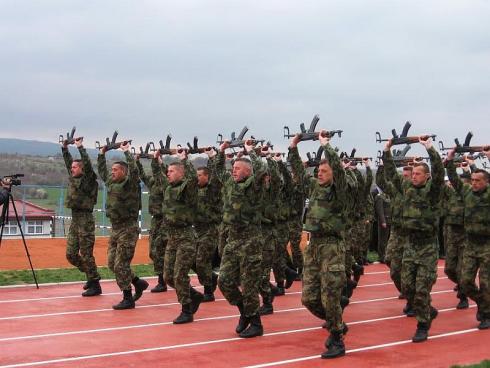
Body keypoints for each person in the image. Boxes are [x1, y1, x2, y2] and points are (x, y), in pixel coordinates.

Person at [289, 130, 348, 359]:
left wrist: (326, 145)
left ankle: (336, 339)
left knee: (330, 297)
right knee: (309, 298)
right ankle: (337, 323)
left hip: (332, 247)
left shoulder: (339, 191)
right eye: (319, 170)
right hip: (314, 246)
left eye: (325, 171)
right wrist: (293, 147)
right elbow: (299, 172)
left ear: (334, 174)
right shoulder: (314, 187)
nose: (320, 173)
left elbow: (339, 171)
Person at [384, 136, 444, 342]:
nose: (414, 176)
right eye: (413, 174)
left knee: (421, 289)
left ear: (426, 177)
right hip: (410, 245)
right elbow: (390, 174)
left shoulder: (433, 192)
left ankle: (423, 324)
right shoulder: (407, 190)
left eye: (418, 174)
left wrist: (430, 148)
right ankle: (426, 309)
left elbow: (439, 173)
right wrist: (386, 151)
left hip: (427, 247)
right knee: (407, 287)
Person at [216, 140, 266, 338]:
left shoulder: (254, 186)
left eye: (238, 168)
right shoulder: (230, 183)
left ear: (247, 171)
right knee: (225, 281)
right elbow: (219, 170)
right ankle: (244, 311)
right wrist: (221, 151)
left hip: (250, 240)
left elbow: (261, 169)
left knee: (249, 284)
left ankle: (256, 323)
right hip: (233, 239)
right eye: (233, 168)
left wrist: (251, 151)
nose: (233, 171)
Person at [97, 142, 149, 309]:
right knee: (112, 264)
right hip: (116, 228)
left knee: (121, 264)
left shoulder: (131, 184)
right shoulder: (111, 183)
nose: (112, 172)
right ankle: (137, 282)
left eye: (115, 170)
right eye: (112, 170)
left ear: (124, 172)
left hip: (128, 228)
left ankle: (128, 298)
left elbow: (135, 171)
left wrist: (127, 152)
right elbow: (102, 171)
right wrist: (101, 153)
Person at [157, 148, 204, 324]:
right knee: (168, 276)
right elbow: (159, 174)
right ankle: (193, 295)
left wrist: (185, 159)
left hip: (185, 237)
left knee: (179, 275)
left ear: (181, 173)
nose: (167, 174)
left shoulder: (187, 188)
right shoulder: (169, 188)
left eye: (171, 171)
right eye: (167, 171)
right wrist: (157, 160)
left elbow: (193, 179)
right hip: (172, 237)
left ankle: (186, 309)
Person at [446, 146, 490, 330]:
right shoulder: (467, 193)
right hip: (471, 243)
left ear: (486, 182)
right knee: (465, 282)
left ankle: (486, 314)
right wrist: (449, 159)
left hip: (487, 244)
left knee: (487, 283)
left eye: (478, 181)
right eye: (472, 180)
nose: (474, 183)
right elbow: (454, 179)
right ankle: (483, 303)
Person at [61, 137, 101, 297]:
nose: (72, 169)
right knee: (70, 254)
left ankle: (95, 284)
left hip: (85, 220)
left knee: (86, 254)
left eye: (75, 167)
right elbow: (68, 162)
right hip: (75, 220)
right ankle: (92, 276)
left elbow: (88, 165)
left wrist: (80, 147)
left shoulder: (88, 180)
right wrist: (64, 148)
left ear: (82, 169)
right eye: (72, 167)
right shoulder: (73, 178)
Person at [192, 148, 222, 302]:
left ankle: (208, 291)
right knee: (192, 260)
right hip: (197, 231)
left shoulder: (213, 190)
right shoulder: (195, 189)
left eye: (199, 176)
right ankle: (210, 277)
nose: (196, 178)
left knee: (202, 260)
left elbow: (217, 175)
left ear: (207, 177)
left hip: (210, 230)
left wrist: (213, 157)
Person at [135, 153, 168, 293]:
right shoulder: (153, 183)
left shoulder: (166, 183)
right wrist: (137, 162)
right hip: (156, 220)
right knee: (154, 252)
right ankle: (163, 279)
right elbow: (142, 175)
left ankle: (164, 281)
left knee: (163, 251)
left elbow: (162, 172)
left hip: (166, 220)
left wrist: (158, 161)